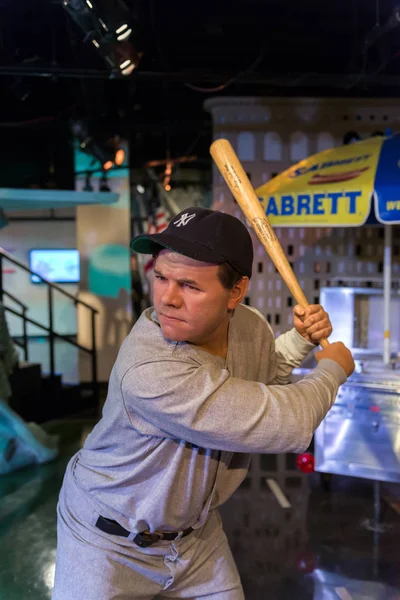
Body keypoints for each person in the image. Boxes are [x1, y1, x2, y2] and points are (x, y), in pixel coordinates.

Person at [52, 207, 354, 600]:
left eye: (190, 286)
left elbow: (261, 374)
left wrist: (299, 340)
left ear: (236, 291)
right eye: (160, 278)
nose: (167, 299)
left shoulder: (249, 326)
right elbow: (284, 421)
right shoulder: (150, 368)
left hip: (194, 538)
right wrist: (332, 370)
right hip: (106, 540)